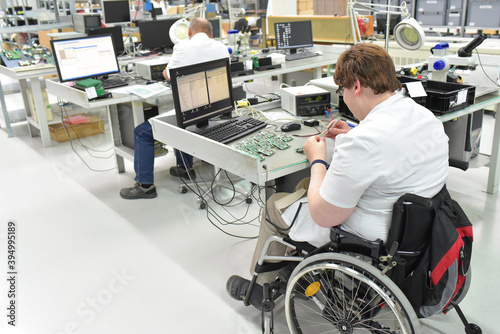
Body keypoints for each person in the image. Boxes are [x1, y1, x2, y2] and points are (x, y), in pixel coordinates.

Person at [226, 43, 450, 309]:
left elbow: (323, 215)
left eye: (342, 90)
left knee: (275, 206)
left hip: (373, 236)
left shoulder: (362, 142)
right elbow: (392, 149)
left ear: (355, 86)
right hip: (418, 228)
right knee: (304, 186)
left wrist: (317, 158)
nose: (343, 97)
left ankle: (261, 288)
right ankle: (294, 264)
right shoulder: (424, 117)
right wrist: (352, 133)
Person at [120, 18, 230, 199]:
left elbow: (168, 74)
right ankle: (185, 168)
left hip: (190, 112)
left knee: (143, 132)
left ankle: (145, 185)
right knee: (187, 120)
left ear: (188, 33)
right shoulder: (221, 47)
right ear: (211, 34)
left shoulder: (182, 47)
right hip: (212, 110)